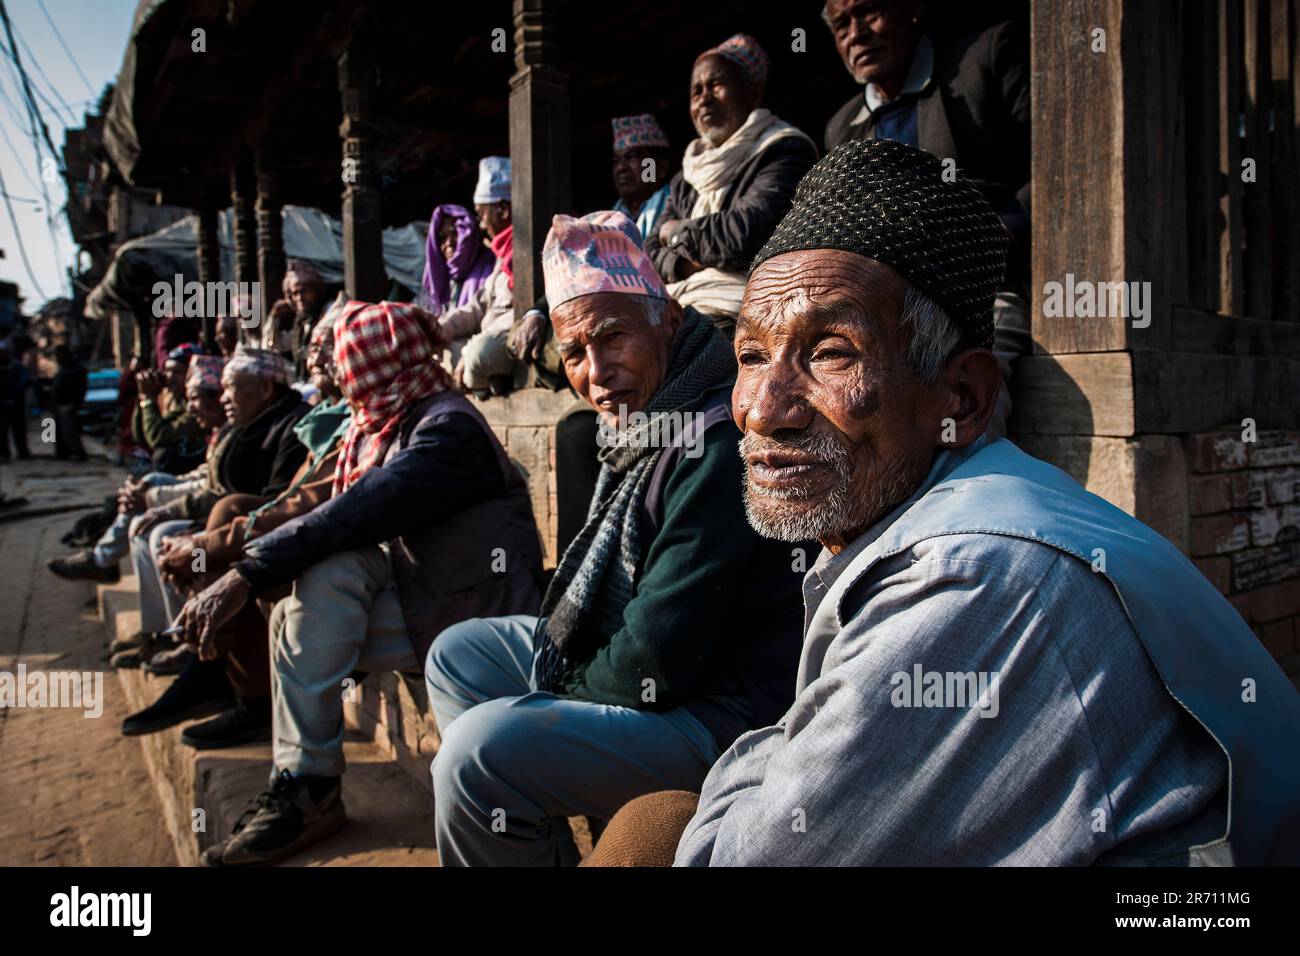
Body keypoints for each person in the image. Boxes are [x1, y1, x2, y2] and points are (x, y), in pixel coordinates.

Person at [604, 139, 1300, 867]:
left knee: (652, 834)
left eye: (831, 350)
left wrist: (748, 770)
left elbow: (746, 857)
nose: (761, 408)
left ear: (961, 397)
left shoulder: (970, 575)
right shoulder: (961, 504)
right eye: (749, 356)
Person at [423, 211, 808, 867]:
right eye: (575, 354)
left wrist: (548, 695)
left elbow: (651, 664)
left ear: (671, 321)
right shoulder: (645, 422)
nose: (595, 372)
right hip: (659, 668)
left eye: (612, 338)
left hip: (720, 712)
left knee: (473, 757)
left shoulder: (712, 446)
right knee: (459, 656)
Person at [184, 301, 543, 866]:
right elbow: (333, 516)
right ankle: (305, 783)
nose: (350, 393)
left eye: (354, 375)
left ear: (385, 367)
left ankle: (306, 786)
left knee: (304, 605)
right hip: (425, 596)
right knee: (302, 603)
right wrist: (245, 563)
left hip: (476, 616)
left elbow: (358, 509)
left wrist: (246, 571)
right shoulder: (391, 422)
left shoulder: (447, 429)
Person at [124, 318, 354, 748]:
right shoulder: (315, 419)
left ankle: (227, 681)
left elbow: (296, 507)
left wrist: (204, 545)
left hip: (333, 552)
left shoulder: (303, 422)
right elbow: (271, 500)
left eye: (329, 356)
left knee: (222, 534)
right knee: (210, 526)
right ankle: (208, 664)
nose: (316, 361)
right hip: (294, 532)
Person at [820, 0, 1031, 437]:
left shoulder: (984, 59)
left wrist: (981, 244)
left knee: (960, 423)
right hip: (887, 306)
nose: (856, 33)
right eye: (841, 24)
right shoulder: (843, 127)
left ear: (911, 8)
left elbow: (1056, 168)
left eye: (869, 11)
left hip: (980, 290)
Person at [126, 347, 308, 651]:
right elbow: (212, 480)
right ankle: (179, 636)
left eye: (230, 388)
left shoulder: (288, 427)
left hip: (251, 535)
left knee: (185, 544)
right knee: (160, 534)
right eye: (221, 389)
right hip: (233, 528)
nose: (223, 399)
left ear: (264, 389)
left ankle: (198, 649)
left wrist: (198, 539)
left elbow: (262, 503)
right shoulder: (245, 426)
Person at [644, 34, 817, 337]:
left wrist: (677, 232)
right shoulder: (686, 175)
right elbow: (649, 251)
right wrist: (687, 266)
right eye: (696, 91)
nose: (704, 98)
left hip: (743, 307)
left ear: (753, 91)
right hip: (680, 302)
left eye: (716, 85)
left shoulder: (783, 149)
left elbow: (748, 232)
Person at [46, 354, 226, 588]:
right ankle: (103, 559)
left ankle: (103, 559)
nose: (170, 378)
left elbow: (158, 437)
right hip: (183, 485)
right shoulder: (186, 406)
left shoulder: (218, 420)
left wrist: (152, 500)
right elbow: (142, 437)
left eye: (178, 372)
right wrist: (144, 399)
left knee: (151, 528)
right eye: (168, 370)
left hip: (205, 509)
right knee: (144, 489)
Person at [438, 157, 521, 397]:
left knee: (477, 355)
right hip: (488, 336)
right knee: (444, 349)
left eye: (482, 215)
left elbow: (522, 313)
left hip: (503, 338)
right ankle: (484, 382)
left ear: (503, 210)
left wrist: (469, 350)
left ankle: (484, 383)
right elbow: (478, 306)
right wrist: (441, 327)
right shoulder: (501, 254)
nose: (482, 225)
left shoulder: (525, 250)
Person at [421, 203, 496, 316]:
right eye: (442, 238)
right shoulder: (439, 281)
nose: (449, 243)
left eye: (455, 233)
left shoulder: (492, 267)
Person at [46, 344, 88, 461]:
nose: (57, 358)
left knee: (70, 431)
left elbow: (81, 389)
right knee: (58, 432)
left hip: (68, 405)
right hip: (58, 404)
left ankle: (77, 453)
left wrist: (75, 404)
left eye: (58, 355)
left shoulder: (77, 368)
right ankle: (62, 453)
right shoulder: (64, 367)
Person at [0, 338, 32, 460]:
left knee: (19, 430)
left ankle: (23, 452)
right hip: (2, 404)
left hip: (15, 403)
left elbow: (27, 380)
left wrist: (17, 389)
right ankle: (4, 453)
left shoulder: (16, 366)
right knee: (2, 431)